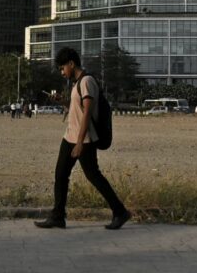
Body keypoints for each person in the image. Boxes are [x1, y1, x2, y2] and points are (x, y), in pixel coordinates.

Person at [35, 47, 130, 230]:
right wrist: (63, 101)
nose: (62, 72)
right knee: (61, 175)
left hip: (83, 139)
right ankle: (58, 216)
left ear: (71, 64)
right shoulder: (77, 83)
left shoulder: (86, 82)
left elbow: (87, 113)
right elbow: (77, 108)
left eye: (63, 68)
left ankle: (120, 211)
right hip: (70, 136)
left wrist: (79, 143)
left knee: (93, 175)